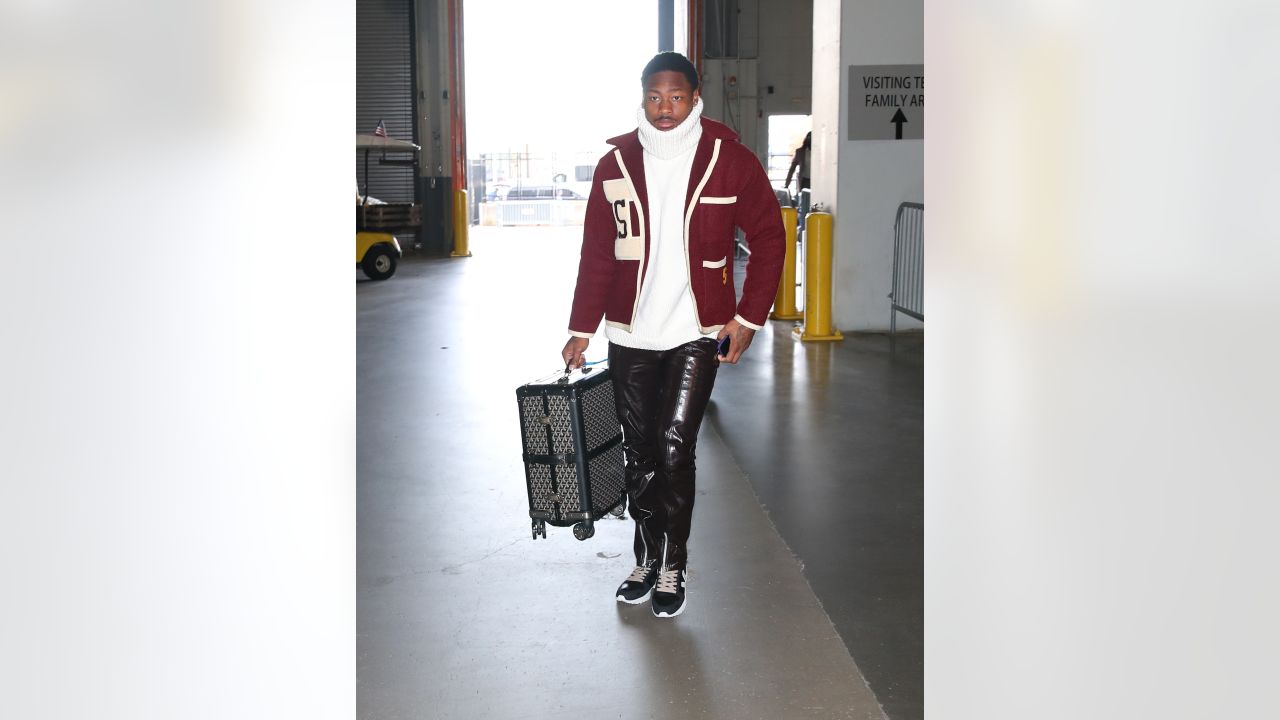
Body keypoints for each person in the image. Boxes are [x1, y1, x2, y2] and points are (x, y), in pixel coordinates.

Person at [561, 52, 784, 618]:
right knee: (638, 453)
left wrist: (748, 318)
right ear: (642, 98)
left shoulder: (728, 160)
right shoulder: (614, 165)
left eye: (676, 97)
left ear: (695, 96)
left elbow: (769, 238)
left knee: (673, 447)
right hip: (631, 334)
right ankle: (645, 555)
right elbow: (597, 254)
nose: (665, 109)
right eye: (655, 98)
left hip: (697, 331)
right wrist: (581, 331)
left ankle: (673, 564)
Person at [783, 131, 812, 197]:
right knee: (805, 200)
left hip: (817, 181)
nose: (811, 140)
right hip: (805, 181)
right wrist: (787, 184)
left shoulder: (820, 152)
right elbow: (792, 169)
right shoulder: (800, 152)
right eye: (809, 138)